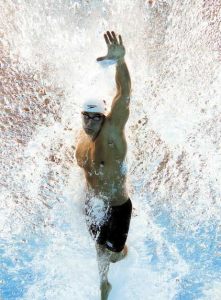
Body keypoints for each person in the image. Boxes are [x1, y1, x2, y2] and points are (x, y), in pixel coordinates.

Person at [75, 31, 132, 300]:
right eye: (85, 117)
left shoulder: (112, 133)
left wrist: (120, 62)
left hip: (118, 205)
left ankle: (121, 252)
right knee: (98, 248)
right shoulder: (81, 141)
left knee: (113, 254)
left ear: (104, 117)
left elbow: (124, 93)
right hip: (94, 203)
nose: (89, 123)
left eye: (95, 118)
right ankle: (104, 284)